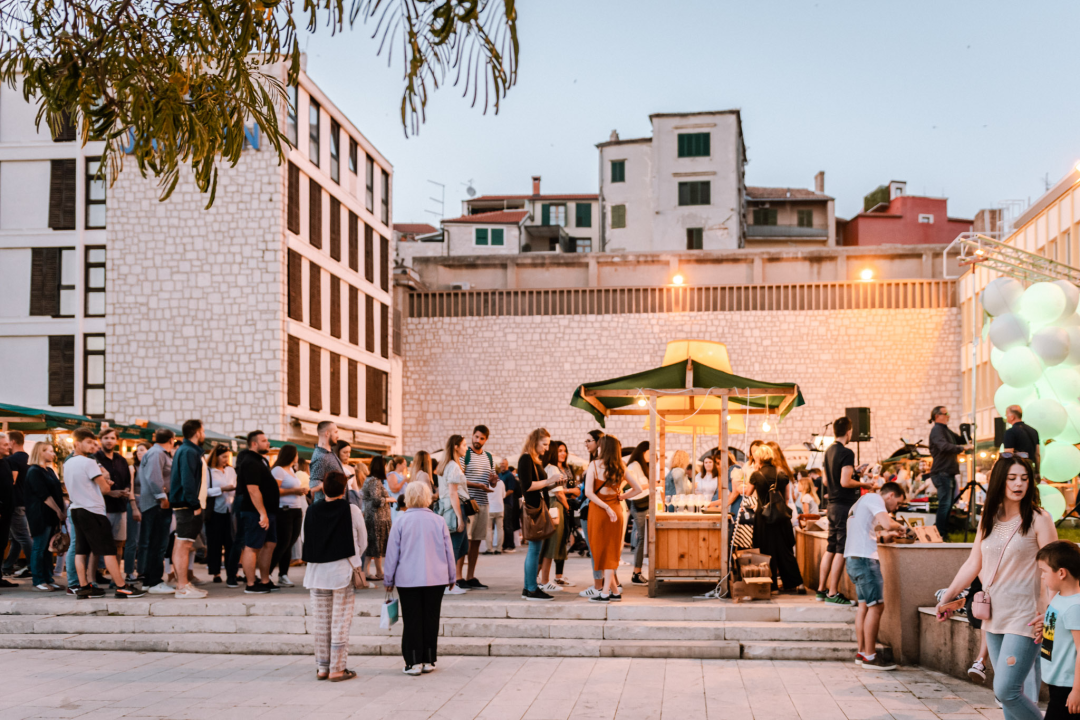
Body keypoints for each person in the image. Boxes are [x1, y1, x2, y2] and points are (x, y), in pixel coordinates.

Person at [936, 455, 1057, 720]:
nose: (1019, 484)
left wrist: (1049, 612)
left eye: (1024, 479)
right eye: (1012, 478)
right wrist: (948, 597)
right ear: (1000, 481)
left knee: (1007, 691)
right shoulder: (989, 517)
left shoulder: (1039, 519)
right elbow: (973, 563)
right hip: (993, 614)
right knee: (1005, 695)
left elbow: (1054, 570)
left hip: (1026, 616)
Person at [385, 480, 456, 675]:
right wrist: (452, 576)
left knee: (412, 619)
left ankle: (413, 661)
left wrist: (388, 579)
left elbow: (392, 554)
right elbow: (448, 551)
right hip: (436, 578)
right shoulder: (439, 521)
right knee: (431, 618)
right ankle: (429, 659)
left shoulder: (400, 521)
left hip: (408, 579)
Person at [65, 428, 146, 599]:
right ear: (77, 443)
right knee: (109, 550)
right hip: (93, 510)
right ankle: (122, 587)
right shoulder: (89, 462)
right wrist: (106, 483)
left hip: (76, 509)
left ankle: (84, 587)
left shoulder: (68, 463)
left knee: (81, 550)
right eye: (88, 442)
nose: (91, 446)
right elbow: (105, 489)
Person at [303, 471, 367, 682]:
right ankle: (337, 668)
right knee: (340, 621)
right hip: (342, 572)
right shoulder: (352, 510)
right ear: (344, 489)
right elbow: (363, 541)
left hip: (317, 572)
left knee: (321, 623)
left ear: (323, 488)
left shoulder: (311, 510)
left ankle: (322, 667)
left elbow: (304, 538)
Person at [845, 482, 906, 670]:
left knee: (864, 606)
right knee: (877, 606)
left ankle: (862, 652)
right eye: (898, 503)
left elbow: (862, 532)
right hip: (865, 561)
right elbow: (887, 523)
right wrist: (903, 528)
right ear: (891, 495)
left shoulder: (861, 502)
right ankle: (870, 657)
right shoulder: (875, 498)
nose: (895, 507)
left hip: (853, 559)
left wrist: (883, 538)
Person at [818, 417, 874, 605]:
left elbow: (826, 481)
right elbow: (845, 482)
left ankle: (821, 590)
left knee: (830, 547)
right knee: (841, 550)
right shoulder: (847, 452)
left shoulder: (828, 451)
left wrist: (854, 472)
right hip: (843, 506)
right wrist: (864, 483)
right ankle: (833, 593)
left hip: (831, 505)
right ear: (849, 432)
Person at [585, 435, 641, 603]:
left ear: (603, 448)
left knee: (602, 551)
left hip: (598, 510)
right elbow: (637, 489)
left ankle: (604, 593)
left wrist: (606, 507)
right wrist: (622, 496)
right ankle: (615, 592)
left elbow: (588, 492)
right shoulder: (620, 467)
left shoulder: (594, 465)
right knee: (611, 550)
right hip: (616, 509)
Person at [748, 444, 805, 594]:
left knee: (766, 551)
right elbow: (786, 498)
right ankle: (796, 583)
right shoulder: (781, 474)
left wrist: (754, 473)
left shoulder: (756, 475)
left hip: (763, 517)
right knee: (785, 550)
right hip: (781, 517)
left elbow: (747, 492)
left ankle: (771, 586)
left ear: (759, 458)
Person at [1037, 540, 1080, 720]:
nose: (1042, 576)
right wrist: (1046, 629)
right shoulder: (1060, 597)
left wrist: (1077, 691)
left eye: (1044, 571)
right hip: (1057, 680)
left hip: (1068, 686)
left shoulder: (1074, 607)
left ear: (1061, 573)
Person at [234, 430, 279, 594]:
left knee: (269, 544)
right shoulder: (250, 462)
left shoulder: (261, 460)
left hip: (268, 511)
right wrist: (262, 513)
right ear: (254, 443)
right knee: (252, 546)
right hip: (255, 512)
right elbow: (253, 490)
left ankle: (265, 580)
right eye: (264, 440)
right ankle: (251, 584)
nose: (268, 443)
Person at [519, 428, 561, 601]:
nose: (547, 448)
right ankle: (531, 589)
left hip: (537, 507)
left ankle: (529, 588)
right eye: (544, 444)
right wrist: (549, 480)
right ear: (534, 442)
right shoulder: (526, 458)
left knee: (535, 550)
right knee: (534, 550)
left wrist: (554, 483)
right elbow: (527, 486)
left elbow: (539, 485)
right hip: (533, 509)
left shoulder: (534, 459)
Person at [168, 420, 207, 599]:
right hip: (188, 505)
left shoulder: (186, 450)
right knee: (184, 545)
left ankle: (183, 585)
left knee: (181, 544)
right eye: (203, 431)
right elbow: (188, 480)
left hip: (185, 504)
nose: (204, 434)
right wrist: (195, 505)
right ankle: (183, 587)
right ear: (197, 432)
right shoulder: (189, 451)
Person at [93, 428, 137, 588]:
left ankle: (115, 578)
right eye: (106, 438)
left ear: (116, 440)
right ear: (101, 440)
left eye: (112, 438)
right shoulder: (94, 459)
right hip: (102, 507)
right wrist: (111, 492)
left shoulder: (121, 460)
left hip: (120, 507)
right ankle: (94, 577)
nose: (109, 441)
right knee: (99, 544)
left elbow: (127, 481)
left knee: (118, 544)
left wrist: (125, 491)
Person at [137, 428, 174, 594]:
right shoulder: (157, 453)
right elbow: (154, 477)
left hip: (155, 503)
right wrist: (162, 498)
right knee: (158, 544)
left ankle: (148, 580)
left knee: (155, 543)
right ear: (171, 440)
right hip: (156, 504)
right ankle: (154, 582)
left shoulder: (156, 452)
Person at [928, 405, 973, 538]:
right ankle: (940, 534)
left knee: (948, 505)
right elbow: (944, 446)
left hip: (947, 472)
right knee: (945, 504)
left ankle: (943, 532)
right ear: (937, 416)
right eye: (945, 413)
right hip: (942, 472)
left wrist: (967, 430)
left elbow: (959, 440)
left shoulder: (945, 430)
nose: (948, 415)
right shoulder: (937, 430)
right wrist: (962, 448)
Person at [538, 440, 577, 591]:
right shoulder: (553, 468)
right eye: (559, 451)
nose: (563, 454)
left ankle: (539, 580)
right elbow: (559, 493)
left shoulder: (546, 467)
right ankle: (545, 581)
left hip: (550, 505)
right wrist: (567, 507)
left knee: (548, 545)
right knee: (551, 545)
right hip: (556, 506)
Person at [461, 426, 496, 590]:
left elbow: (492, 482)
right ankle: (458, 577)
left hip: (483, 502)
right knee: (464, 541)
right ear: (472, 436)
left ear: (486, 440)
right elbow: (459, 479)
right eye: (476, 437)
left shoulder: (489, 457)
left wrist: (493, 481)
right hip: (468, 503)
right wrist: (478, 485)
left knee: (476, 541)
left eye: (481, 438)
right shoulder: (465, 455)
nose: (478, 440)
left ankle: (470, 576)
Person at [25, 441, 64, 591]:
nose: (53, 454)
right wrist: (58, 510)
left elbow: (56, 491)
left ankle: (48, 578)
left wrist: (60, 510)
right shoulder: (34, 471)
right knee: (39, 547)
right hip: (40, 514)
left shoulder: (49, 470)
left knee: (48, 549)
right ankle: (38, 580)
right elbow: (44, 495)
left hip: (51, 515)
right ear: (41, 452)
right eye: (50, 451)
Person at [437, 436, 470, 595]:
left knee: (459, 547)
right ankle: (448, 584)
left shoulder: (445, 465)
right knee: (454, 548)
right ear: (456, 447)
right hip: (454, 509)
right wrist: (459, 517)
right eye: (464, 445)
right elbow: (453, 493)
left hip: (446, 508)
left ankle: (449, 582)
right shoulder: (454, 466)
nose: (466, 448)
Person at [270, 445, 306, 587]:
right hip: (284, 510)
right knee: (283, 543)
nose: (297, 457)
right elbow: (274, 491)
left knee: (290, 543)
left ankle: (283, 574)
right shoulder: (278, 470)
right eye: (296, 454)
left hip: (296, 509)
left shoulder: (291, 470)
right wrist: (294, 491)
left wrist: (300, 491)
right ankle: (267, 573)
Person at [578, 429, 606, 599]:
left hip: (591, 509)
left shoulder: (596, 464)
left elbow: (588, 492)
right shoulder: (605, 462)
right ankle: (608, 584)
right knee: (602, 549)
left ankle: (598, 586)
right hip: (603, 508)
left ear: (598, 442)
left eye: (589, 441)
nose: (586, 444)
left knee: (595, 549)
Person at [205, 444, 237, 585]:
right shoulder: (209, 471)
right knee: (214, 543)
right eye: (223, 457)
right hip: (215, 511)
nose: (226, 459)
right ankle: (216, 572)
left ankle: (232, 572)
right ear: (216, 456)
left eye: (227, 457)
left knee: (231, 542)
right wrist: (222, 489)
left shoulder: (230, 470)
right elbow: (205, 491)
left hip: (230, 510)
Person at [3, 430, 31, 579]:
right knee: (16, 538)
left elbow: (11, 481)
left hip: (15, 503)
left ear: (12, 442)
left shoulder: (13, 460)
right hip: (24, 501)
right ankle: (7, 566)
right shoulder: (28, 457)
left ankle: (34, 565)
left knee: (22, 537)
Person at [363, 456, 393, 581]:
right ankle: (368, 572)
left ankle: (378, 571)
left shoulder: (373, 480)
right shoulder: (374, 481)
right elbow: (376, 500)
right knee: (374, 545)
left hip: (376, 517)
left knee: (376, 545)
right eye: (385, 465)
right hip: (376, 517)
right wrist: (390, 499)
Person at [625, 441, 651, 586]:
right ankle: (636, 573)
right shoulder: (633, 466)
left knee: (644, 538)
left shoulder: (642, 466)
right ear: (643, 451)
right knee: (641, 538)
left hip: (646, 503)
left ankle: (639, 571)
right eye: (649, 452)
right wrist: (652, 484)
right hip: (639, 504)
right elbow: (632, 486)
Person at [125, 442, 150, 582]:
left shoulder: (151, 467)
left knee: (144, 540)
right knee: (132, 540)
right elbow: (131, 489)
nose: (139, 452)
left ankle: (142, 570)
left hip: (148, 504)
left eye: (143, 450)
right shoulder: (132, 468)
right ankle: (129, 572)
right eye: (138, 450)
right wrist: (134, 506)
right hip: (135, 502)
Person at [309, 421, 344, 503]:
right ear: (327, 433)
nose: (338, 436)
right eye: (335, 432)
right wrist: (334, 483)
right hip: (328, 506)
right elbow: (313, 485)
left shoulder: (329, 453)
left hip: (335, 505)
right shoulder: (320, 456)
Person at [1003, 405, 1041, 473]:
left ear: (1012, 417)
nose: (1006, 417)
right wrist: (1037, 471)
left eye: (1006, 415)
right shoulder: (1034, 431)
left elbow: (1008, 454)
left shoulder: (1010, 432)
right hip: (1030, 468)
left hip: (1017, 469)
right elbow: (1037, 454)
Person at [497, 459, 519, 553]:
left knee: (507, 524)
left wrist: (502, 496)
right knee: (503, 524)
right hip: (500, 503)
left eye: (503, 463)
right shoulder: (499, 475)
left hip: (507, 503)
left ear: (507, 464)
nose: (501, 465)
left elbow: (511, 490)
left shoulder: (509, 475)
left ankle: (510, 545)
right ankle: (505, 544)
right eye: (500, 463)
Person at [485, 470, 505, 555]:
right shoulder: (501, 482)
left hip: (489, 508)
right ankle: (499, 549)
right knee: (500, 529)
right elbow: (504, 495)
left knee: (488, 529)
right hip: (499, 508)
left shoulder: (486, 483)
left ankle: (489, 549)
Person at [387, 456, 407, 521]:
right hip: (396, 504)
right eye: (404, 464)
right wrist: (404, 481)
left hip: (403, 505)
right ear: (398, 465)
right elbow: (394, 489)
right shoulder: (392, 474)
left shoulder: (400, 475)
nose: (405, 467)